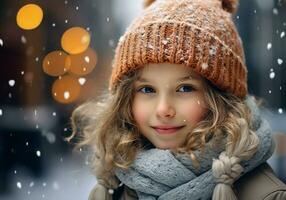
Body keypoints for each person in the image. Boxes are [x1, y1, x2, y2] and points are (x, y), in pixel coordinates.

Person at [70, 0, 286, 199]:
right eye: (147, 89)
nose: (163, 109)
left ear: (221, 99)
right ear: (125, 99)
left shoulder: (267, 195)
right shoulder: (115, 187)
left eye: (184, 88)